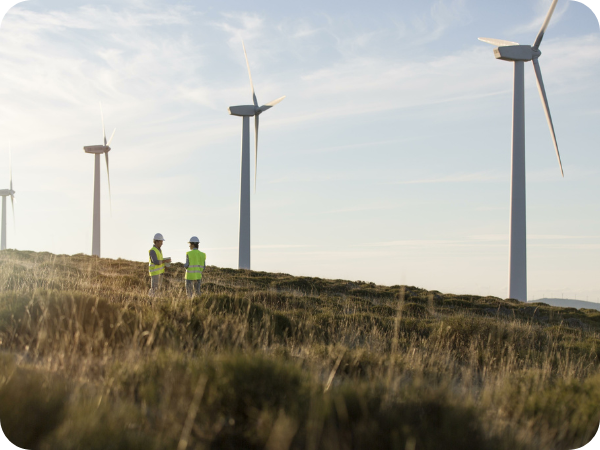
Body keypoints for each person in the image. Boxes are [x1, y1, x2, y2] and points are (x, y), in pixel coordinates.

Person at [149, 233, 171, 297]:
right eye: (161, 242)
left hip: (160, 273)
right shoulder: (152, 251)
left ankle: (155, 301)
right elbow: (155, 261)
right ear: (157, 241)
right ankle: (150, 300)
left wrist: (166, 266)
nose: (162, 243)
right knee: (154, 289)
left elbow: (160, 263)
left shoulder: (159, 250)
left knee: (157, 290)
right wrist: (165, 261)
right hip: (155, 273)